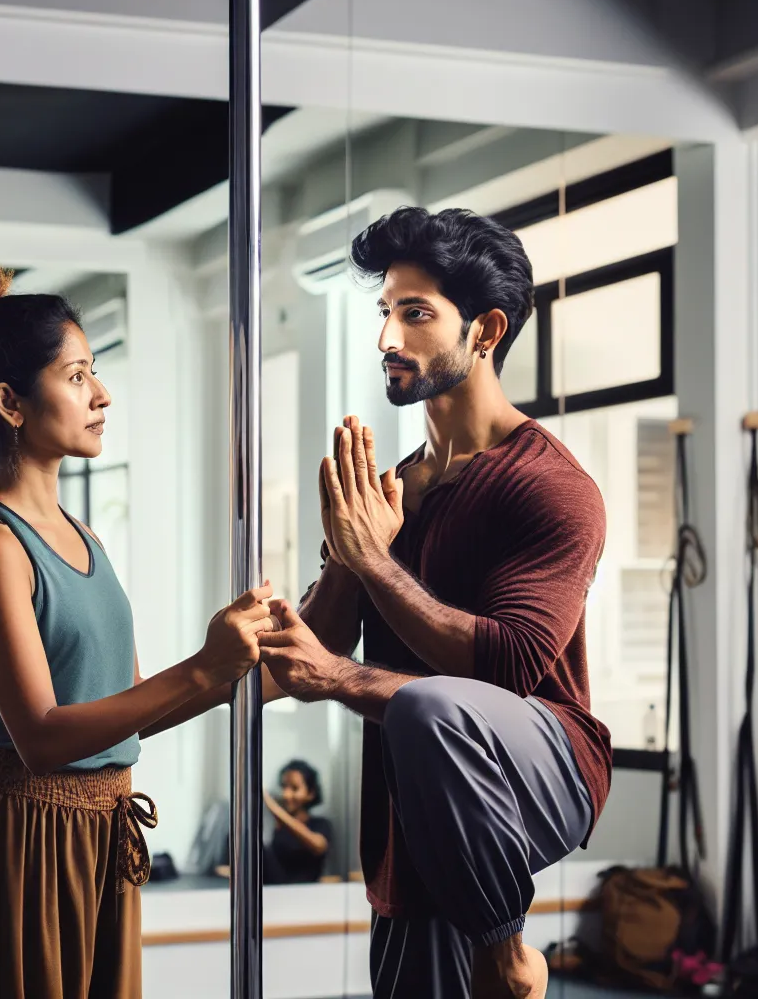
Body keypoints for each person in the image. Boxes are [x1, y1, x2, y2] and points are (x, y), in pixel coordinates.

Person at [257, 207, 612, 999]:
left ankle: (509, 952)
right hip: (417, 810)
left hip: (538, 766)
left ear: (484, 331)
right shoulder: (390, 492)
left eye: (415, 315)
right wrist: (348, 563)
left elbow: (511, 665)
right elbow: (305, 661)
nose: (388, 339)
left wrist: (369, 566)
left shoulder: (551, 486)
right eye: (386, 312)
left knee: (428, 710)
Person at [0, 265, 278, 999]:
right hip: (28, 843)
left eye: (94, 373)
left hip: (107, 837)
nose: (101, 395)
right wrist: (205, 666)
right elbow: (42, 736)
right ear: (12, 402)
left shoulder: (87, 537)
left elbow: (133, 704)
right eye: (77, 376)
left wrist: (249, 670)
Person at [263, 759, 332, 884]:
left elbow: (319, 845)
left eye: (294, 789)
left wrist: (273, 807)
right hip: (275, 894)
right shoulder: (278, 828)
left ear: (310, 793)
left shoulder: (320, 824)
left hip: (304, 895)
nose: (286, 795)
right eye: (284, 787)